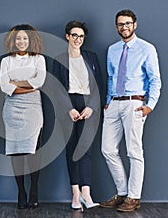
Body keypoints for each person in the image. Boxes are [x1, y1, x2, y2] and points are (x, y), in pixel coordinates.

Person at [100, 9, 161, 212]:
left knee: (134, 151)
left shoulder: (147, 49)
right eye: (120, 24)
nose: (124, 27)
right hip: (114, 104)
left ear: (135, 24)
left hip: (135, 103)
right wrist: (108, 100)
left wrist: (149, 105)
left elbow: (155, 79)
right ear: (116, 27)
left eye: (127, 23)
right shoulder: (113, 49)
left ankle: (134, 198)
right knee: (107, 149)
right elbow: (110, 77)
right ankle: (122, 193)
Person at [52, 21, 102, 210]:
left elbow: (99, 84)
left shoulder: (91, 57)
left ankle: (87, 194)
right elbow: (55, 88)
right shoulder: (59, 59)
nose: (78, 39)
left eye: (81, 36)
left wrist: (92, 107)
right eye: (74, 35)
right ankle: (75, 194)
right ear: (67, 36)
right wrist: (68, 109)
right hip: (68, 106)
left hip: (87, 104)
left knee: (86, 151)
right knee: (72, 151)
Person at [0, 24, 46, 209]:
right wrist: (27, 85)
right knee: (16, 151)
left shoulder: (39, 59)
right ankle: (21, 191)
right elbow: (4, 86)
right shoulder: (6, 61)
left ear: (31, 40)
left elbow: (39, 82)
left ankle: (34, 189)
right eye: (18, 38)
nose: (21, 41)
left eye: (25, 38)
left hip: (34, 107)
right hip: (11, 109)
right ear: (13, 40)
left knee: (33, 150)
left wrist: (15, 83)